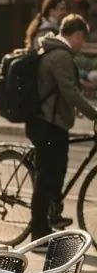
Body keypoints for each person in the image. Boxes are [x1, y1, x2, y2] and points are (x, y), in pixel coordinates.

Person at [27, 13, 97, 239]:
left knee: (55, 172)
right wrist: (94, 114)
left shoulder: (54, 51)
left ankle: (52, 216)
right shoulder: (60, 55)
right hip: (48, 124)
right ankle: (38, 231)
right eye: (82, 39)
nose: (82, 44)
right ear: (76, 35)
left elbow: (64, 90)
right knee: (48, 175)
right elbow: (69, 91)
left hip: (50, 122)